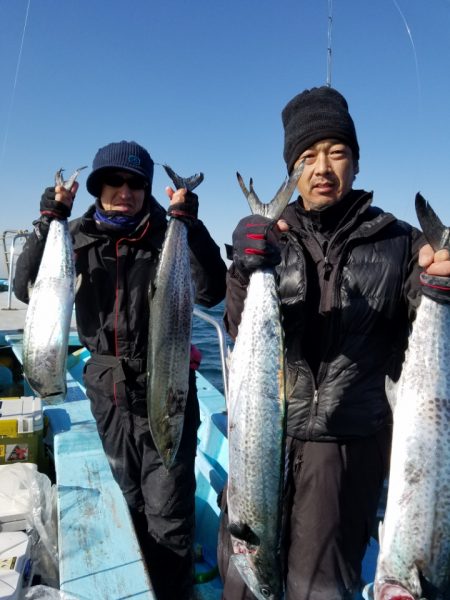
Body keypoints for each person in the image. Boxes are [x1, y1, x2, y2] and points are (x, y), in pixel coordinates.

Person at [219, 87, 450, 600]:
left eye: (337, 152)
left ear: (357, 163)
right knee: (240, 577)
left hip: (345, 454)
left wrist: (443, 285)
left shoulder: (399, 241)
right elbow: (239, 327)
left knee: (318, 589)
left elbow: (424, 318)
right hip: (261, 435)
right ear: (292, 170)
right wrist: (243, 268)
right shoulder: (272, 237)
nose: (323, 166)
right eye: (307, 156)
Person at [14, 140, 227, 600]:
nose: (124, 191)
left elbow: (212, 292)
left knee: (169, 511)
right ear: (97, 187)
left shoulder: (166, 234)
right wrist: (47, 221)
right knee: (127, 497)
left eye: (136, 183)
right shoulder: (73, 237)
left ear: (147, 189)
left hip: (166, 386)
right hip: (106, 391)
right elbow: (26, 288)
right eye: (114, 181)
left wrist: (193, 226)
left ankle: (173, 591)